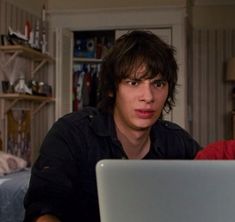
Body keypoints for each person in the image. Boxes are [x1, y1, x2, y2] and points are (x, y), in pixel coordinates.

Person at [23, 30, 201, 222]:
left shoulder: (177, 142)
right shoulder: (71, 133)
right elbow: (42, 210)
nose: (148, 97)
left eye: (158, 84)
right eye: (134, 82)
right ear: (110, 89)